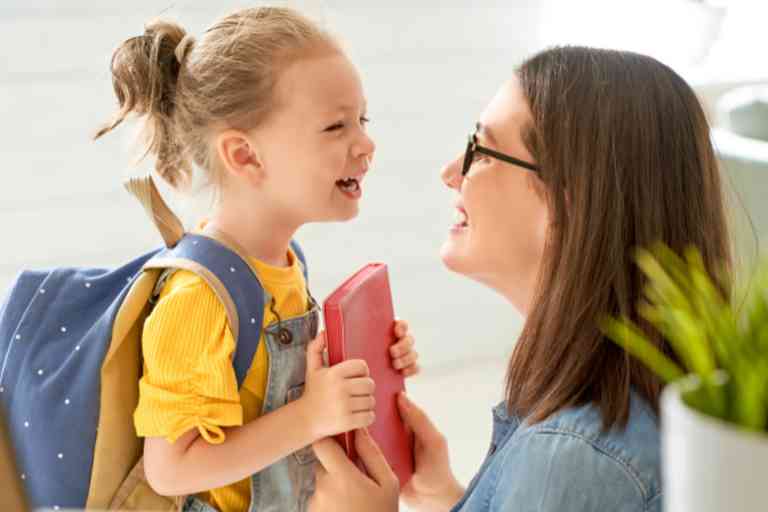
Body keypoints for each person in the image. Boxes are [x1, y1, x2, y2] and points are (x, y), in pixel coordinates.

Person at [308, 46, 732, 512]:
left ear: (568, 202)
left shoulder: (570, 459)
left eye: (481, 151)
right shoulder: (617, 416)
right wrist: (442, 496)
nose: (451, 173)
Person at [95, 7, 420, 512]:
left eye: (362, 120)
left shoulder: (287, 262)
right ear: (245, 155)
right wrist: (310, 416)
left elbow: (263, 394)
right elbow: (171, 469)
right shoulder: (197, 298)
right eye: (336, 126)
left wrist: (364, 363)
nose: (366, 144)